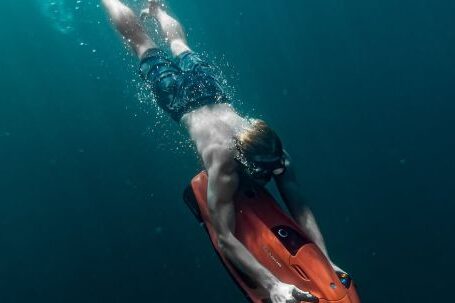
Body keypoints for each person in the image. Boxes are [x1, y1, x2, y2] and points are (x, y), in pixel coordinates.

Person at [101, 1, 346, 302]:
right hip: (181, 101)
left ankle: (156, 8)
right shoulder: (223, 162)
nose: (270, 176)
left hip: (211, 92)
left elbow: (301, 208)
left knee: (178, 44)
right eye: (263, 175)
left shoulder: (273, 150)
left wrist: (326, 261)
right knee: (143, 44)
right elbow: (225, 237)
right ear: (241, 160)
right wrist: (272, 285)